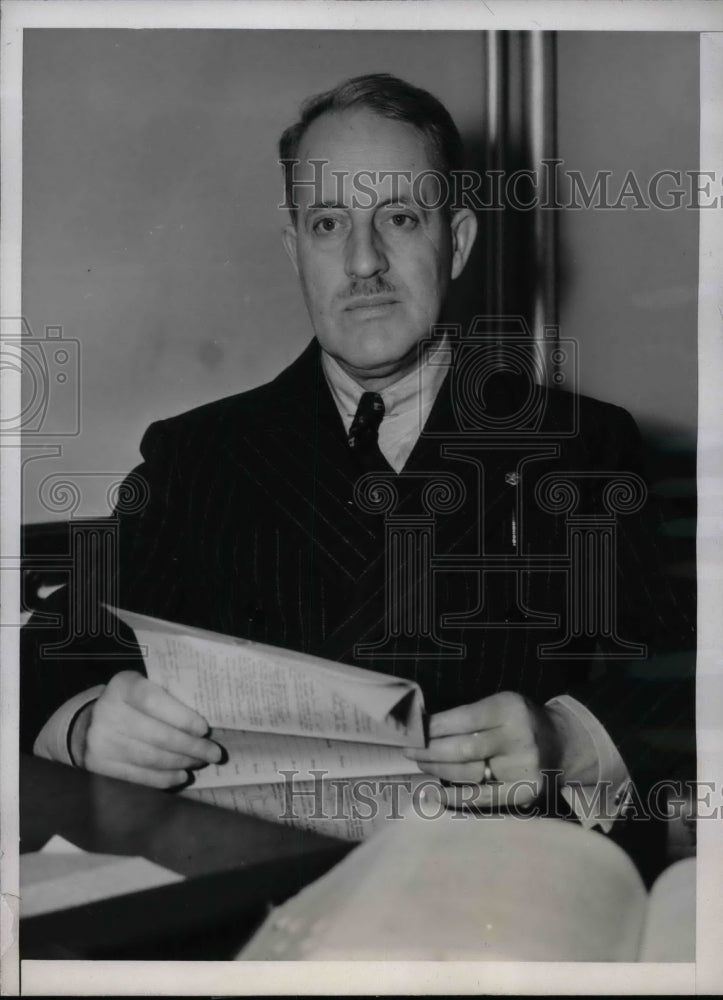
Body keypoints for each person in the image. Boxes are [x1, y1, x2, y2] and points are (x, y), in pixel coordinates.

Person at [21, 74, 693, 831]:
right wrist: (85, 726)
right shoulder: (199, 456)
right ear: (295, 249)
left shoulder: (584, 448)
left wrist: (565, 738)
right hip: (253, 897)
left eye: (400, 218)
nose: (364, 260)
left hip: (491, 897)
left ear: (458, 242)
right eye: (329, 224)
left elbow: (680, 676)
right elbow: (47, 652)